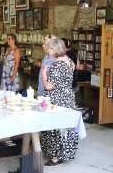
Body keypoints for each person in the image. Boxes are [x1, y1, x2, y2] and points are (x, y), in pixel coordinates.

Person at [41, 38, 78, 167]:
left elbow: (49, 86)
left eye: (49, 48)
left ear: (53, 50)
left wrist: (44, 73)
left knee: (56, 126)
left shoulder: (57, 65)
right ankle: (62, 152)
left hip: (58, 99)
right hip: (67, 97)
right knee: (65, 127)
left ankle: (56, 157)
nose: (47, 49)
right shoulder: (69, 61)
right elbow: (72, 69)